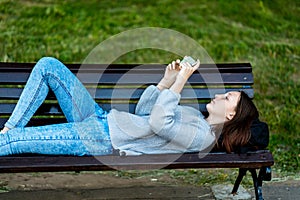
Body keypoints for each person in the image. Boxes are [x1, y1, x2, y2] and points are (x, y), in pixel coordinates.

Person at [0, 57, 258, 156]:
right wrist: (165, 82)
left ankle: (7, 135)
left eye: (228, 97)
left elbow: (159, 123)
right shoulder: (194, 116)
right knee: (49, 67)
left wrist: (180, 82)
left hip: (101, 138)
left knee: (13, 142)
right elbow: (144, 113)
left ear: (231, 114)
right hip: (101, 118)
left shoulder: (202, 137)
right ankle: (9, 127)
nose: (220, 95)